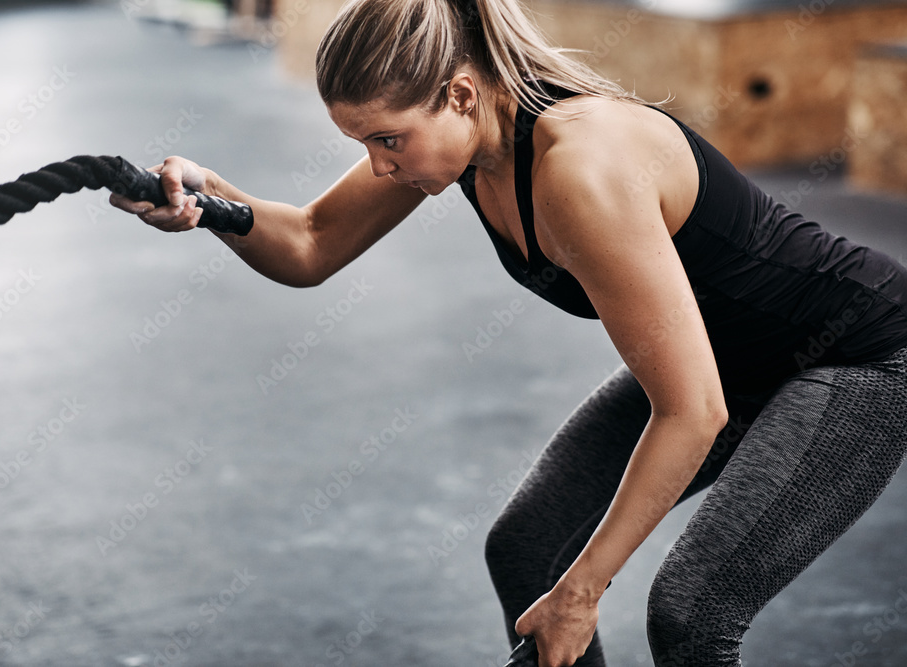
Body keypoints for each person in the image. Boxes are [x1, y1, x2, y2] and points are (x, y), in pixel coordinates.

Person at [110, 0, 907, 664]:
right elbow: (313, 242)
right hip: (724, 360)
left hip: (860, 353)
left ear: (459, 94)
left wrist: (585, 592)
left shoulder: (579, 168)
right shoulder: (457, 146)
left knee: (691, 612)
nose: (379, 166)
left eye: (386, 139)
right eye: (364, 144)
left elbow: (692, 410)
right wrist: (213, 201)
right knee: (529, 550)